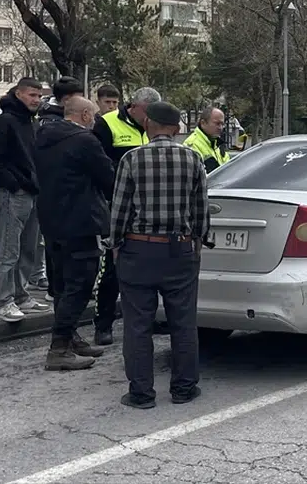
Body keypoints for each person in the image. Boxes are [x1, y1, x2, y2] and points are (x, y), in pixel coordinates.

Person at [108, 101, 208, 409]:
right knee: (183, 321)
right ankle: (184, 388)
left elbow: (120, 208)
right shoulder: (193, 159)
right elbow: (200, 209)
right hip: (179, 248)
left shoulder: (131, 159)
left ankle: (141, 392)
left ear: (148, 124)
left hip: (138, 248)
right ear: (178, 129)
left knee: (137, 323)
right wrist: (198, 241)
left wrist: (114, 244)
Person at [34, 96, 114, 370]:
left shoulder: (43, 137)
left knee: (62, 284)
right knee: (80, 284)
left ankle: (70, 339)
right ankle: (59, 348)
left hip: (51, 218)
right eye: (92, 114)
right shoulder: (85, 141)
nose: (95, 120)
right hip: (82, 219)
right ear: (83, 115)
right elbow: (108, 177)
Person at [92, 86, 160, 345]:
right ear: (135, 106)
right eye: (147, 113)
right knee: (112, 266)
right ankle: (103, 324)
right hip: (118, 204)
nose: (148, 118)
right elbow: (100, 165)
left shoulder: (151, 128)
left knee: (149, 268)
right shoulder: (107, 124)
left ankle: (148, 319)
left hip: (148, 207)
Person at [0, 77, 47, 322]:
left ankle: (21, 295)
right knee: (8, 248)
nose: (37, 100)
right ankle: (4, 300)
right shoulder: (6, 121)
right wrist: (12, 183)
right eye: (32, 95)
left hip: (33, 192)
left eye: (39, 96)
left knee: (28, 248)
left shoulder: (30, 123)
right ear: (19, 94)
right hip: (14, 194)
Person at [33, 76, 87, 303]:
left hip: (56, 193)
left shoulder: (47, 122)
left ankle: (58, 289)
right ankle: (57, 288)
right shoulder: (52, 123)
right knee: (56, 245)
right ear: (66, 100)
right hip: (55, 192)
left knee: (55, 243)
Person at [184, 106, 231, 173]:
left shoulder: (217, 144)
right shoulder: (192, 145)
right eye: (217, 123)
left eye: (222, 124)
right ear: (203, 123)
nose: (220, 128)